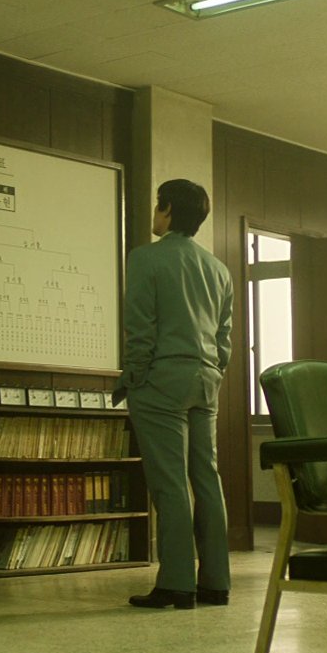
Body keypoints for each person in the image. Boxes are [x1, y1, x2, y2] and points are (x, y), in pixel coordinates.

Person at [118, 179, 233, 610]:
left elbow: (140, 325)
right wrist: (214, 369)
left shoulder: (145, 258)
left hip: (161, 379)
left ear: (166, 210)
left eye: (157, 206)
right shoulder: (218, 268)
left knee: (169, 484)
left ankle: (177, 583)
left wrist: (135, 376)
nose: (155, 213)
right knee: (207, 479)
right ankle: (216, 582)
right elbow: (224, 336)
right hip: (206, 380)